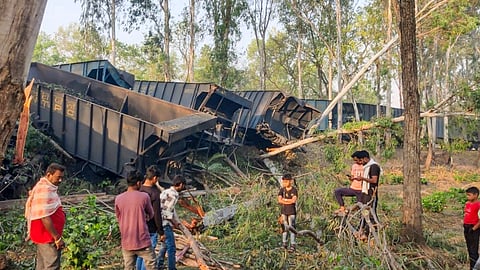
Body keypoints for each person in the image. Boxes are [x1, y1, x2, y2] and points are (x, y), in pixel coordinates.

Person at [24, 163, 66, 270]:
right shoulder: (44, 190)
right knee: (51, 265)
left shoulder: (45, 186)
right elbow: (44, 216)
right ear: (49, 175)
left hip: (43, 235)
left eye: (62, 177)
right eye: (58, 177)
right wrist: (56, 237)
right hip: (46, 236)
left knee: (42, 266)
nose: (60, 180)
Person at [115, 170, 156, 270]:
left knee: (128, 267)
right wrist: (144, 217)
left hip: (127, 241)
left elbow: (118, 217)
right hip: (143, 241)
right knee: (151, 265)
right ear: (138, 183)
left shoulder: (118, 198)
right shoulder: (144, 197)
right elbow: (151, 214)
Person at [136, 165, 165, 270]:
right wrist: (161, 231)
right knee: (148, 257)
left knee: (140, 254)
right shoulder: (155, 193)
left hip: (139, 227)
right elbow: (157, 214)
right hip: (151, 228)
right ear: (155, 178)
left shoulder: (139, 189)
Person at [158, 175, 186, 270]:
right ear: (180, 184)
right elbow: (167, 213)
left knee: (164, 245)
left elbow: (171, 210)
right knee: (171, 247)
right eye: (183, 185)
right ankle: (171, 268)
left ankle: (159, 264)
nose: (183, 188)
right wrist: (174, 223)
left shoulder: (165, 191)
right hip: (165, 223)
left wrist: (177, 221)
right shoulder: (173, 195)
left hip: (159, 222)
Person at [277, 173, 298, 252]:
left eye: (286, 182)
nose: (284, 183)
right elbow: (279, 200)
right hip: (284, 212)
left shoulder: (294, 190)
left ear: (290, 181)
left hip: (291, 212)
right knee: (284, 228)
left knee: (291, 228)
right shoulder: (282, 190)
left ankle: (293, 245)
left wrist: (284, 200)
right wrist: (287, 201)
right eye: (283, 182)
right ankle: (284, 244)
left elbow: (294, 200)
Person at [463, 186, 480, 269]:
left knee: (473, 249)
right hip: (466, 227)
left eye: (469, 195)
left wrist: (473, 229)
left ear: (476, 195)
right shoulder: (467, 203)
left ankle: (474, 267)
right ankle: (472, 265)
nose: (468, 197)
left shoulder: (478, 205)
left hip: (473, 228)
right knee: (469, 248)